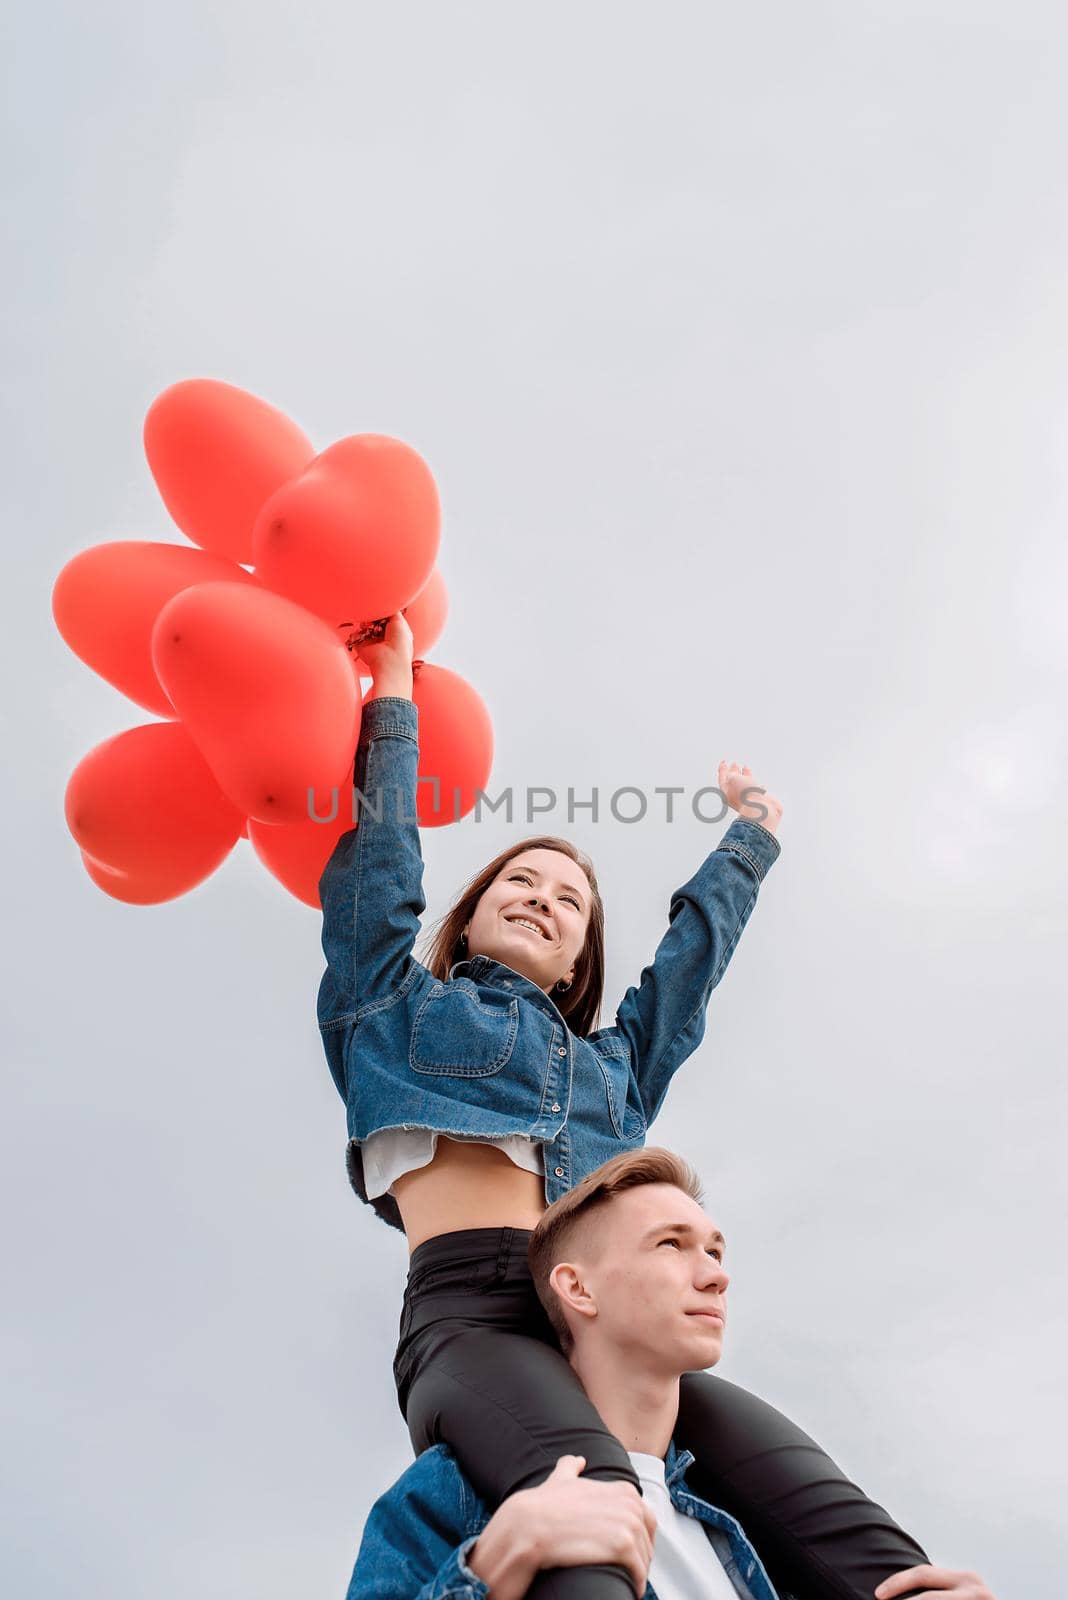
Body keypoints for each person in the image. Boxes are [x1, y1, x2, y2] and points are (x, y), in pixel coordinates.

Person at [317, 612, 929, 1599]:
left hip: (613, 1326)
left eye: (571, 902)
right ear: (468, 912)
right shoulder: (391, 1006)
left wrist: (753, 837)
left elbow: (686, 976)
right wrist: (391, 696)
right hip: (474, 1323)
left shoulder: (614, 1070)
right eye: (519, 879)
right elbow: (378, 859)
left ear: (577, 961)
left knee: (839, 1522)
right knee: (596, 1499)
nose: (544, 898)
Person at [346, 1149, 996, 1600]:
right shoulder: (455, 1496)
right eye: (671, 1245)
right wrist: (486, 1573)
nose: (716, 1273)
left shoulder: (764, 1522)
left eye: (715, 1249)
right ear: (577, 1288)